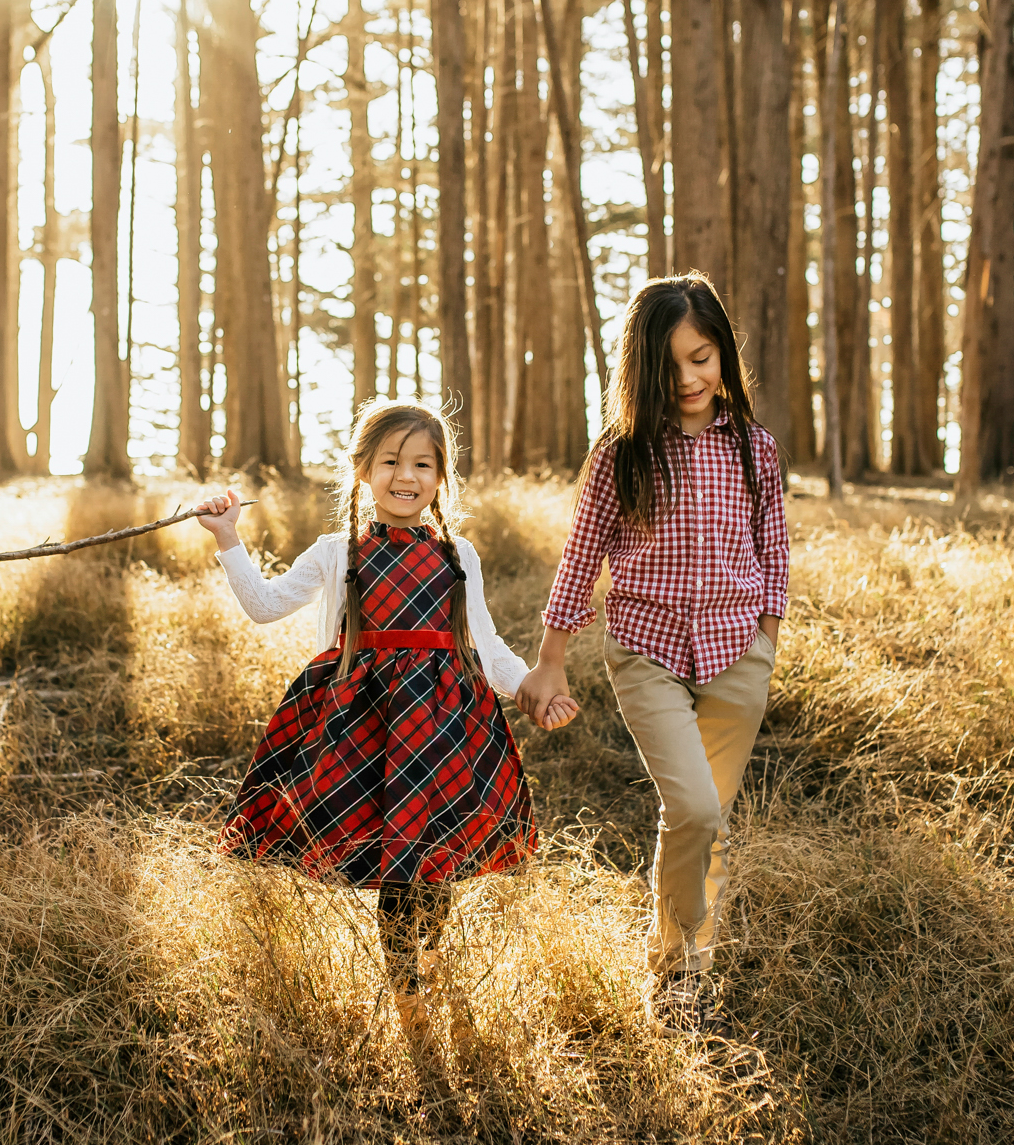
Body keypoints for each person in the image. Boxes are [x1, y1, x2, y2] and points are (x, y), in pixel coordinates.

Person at [194, 399, 576, 1050]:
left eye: (423, 464)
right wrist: (228, 538)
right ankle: (410, 1001)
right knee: (400, 867)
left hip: (447, 729)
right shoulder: (336, 552)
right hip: (366, 733)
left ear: (441, 476)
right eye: (392, 461)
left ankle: (430, 963)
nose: (407, 475)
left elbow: (484, 645)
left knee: (441, 859)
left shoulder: (460, 555)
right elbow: (264, 606)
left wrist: (531, 690)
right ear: (363, 470)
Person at [514, 274, 790, 1031]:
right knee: (693, 806)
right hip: (648, 649)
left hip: (740, 651)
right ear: (642, 372)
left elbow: (774, 544)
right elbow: (582, 552)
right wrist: (551, 655)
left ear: (723, 352)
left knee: (711, 821)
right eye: (670, 369)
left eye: (702, 358)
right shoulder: (622, 453)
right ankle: (672, 971)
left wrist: (768, 633)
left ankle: (687, 971)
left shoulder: (753, 446)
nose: (691, 380)